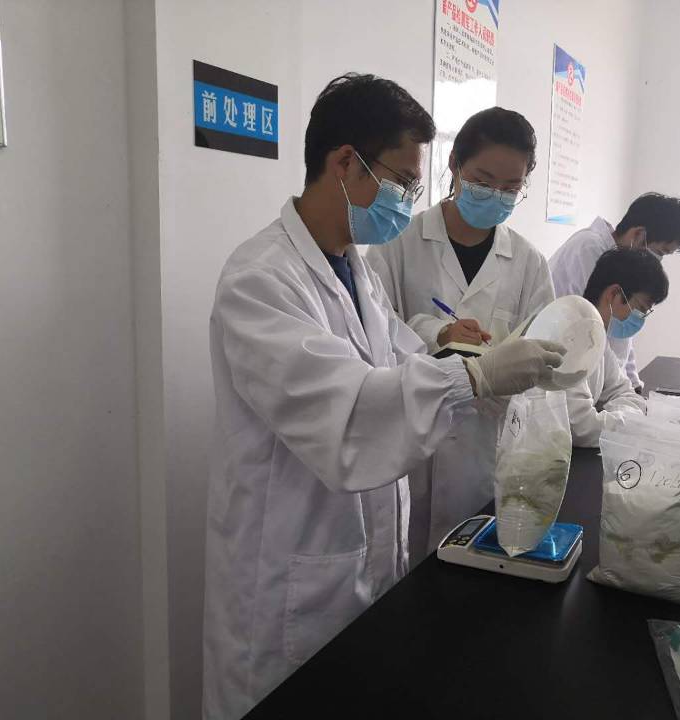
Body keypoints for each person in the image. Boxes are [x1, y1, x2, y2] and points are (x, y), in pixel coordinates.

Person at [201, 73, 564, 719]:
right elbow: (348, 413)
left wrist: (468, 357)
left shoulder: (354, 271)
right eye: (402, 181)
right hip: (290, 580)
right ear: (345, 163)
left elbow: (402, 360)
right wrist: (477, 376)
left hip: (360, 564)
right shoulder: (261, 280)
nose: (407, 200)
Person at [369, 107, 554, 557]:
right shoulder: (398, 242)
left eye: (510, 188)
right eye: (484, 181)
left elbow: (544, 364)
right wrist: (437, 333)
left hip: (489, 453)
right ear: (454, 164)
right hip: (412, 451)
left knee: (477, 570)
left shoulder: (529, 263)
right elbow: (371, 340)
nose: (496, 196)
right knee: (407, 573)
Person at [548, 193, 680, 390]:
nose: (657, 261)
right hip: (568, 372)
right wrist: (623, 387)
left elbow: (620, 331)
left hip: (602, 379)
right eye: (660, 252)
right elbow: (595, 326)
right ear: (638, 235)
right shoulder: (589, 249)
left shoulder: (620, 259)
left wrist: (633, 384)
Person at [567, 247, 669, 446]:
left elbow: (626, 393)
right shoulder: (570, 336)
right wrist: (627, 420)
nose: (639, 320)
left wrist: (620, 417)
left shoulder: (597, 337)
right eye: (640, 309)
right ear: (614, 294)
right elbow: (581, 427)